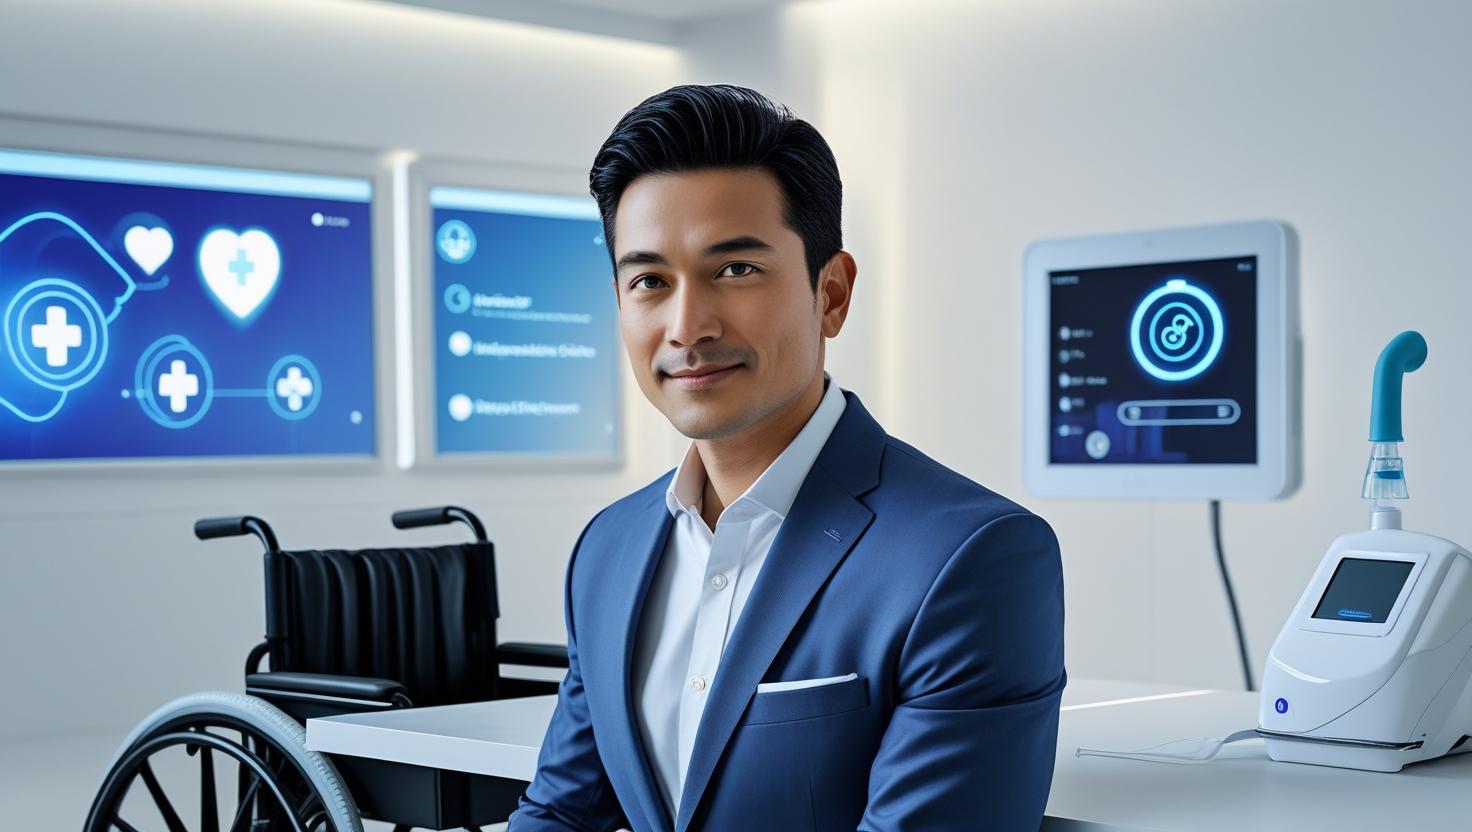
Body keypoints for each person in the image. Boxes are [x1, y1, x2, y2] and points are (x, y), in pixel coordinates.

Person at [508, 84, 1066, 832]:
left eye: (734, 270)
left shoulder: (971, 558)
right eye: (648, 281)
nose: (687, 327)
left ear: (830, 294)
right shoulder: (608, 548)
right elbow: (562, 815)